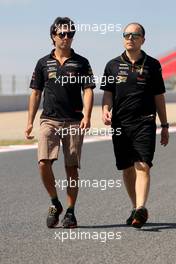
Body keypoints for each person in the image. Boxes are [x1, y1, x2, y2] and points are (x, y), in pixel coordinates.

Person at [25, 17, 95, 228]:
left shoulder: (82, 62)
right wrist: (29, 122)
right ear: (53, 36)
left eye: (70, 34)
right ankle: (55, 202)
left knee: (71, 168)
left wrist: (88, 116)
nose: (66, 38)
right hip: (49, 120)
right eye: (62, 34)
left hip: (74, 121)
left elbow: (89, 90)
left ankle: (71, 212)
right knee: (43, 163)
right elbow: (36, 93)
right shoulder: (43, 63)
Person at [101, 22, 169, 228]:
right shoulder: (112, 65)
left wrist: (164, 125)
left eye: (135, 35)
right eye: (126, 35)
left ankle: (141, 207)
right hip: (121, 124)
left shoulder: (153, 65)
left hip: (145, 122)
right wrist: (105, 110)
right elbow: (108, 94)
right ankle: (135, 208)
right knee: (127, 169)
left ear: (143, 40)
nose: (130, 38)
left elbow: (159, 96)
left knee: (143, 165)